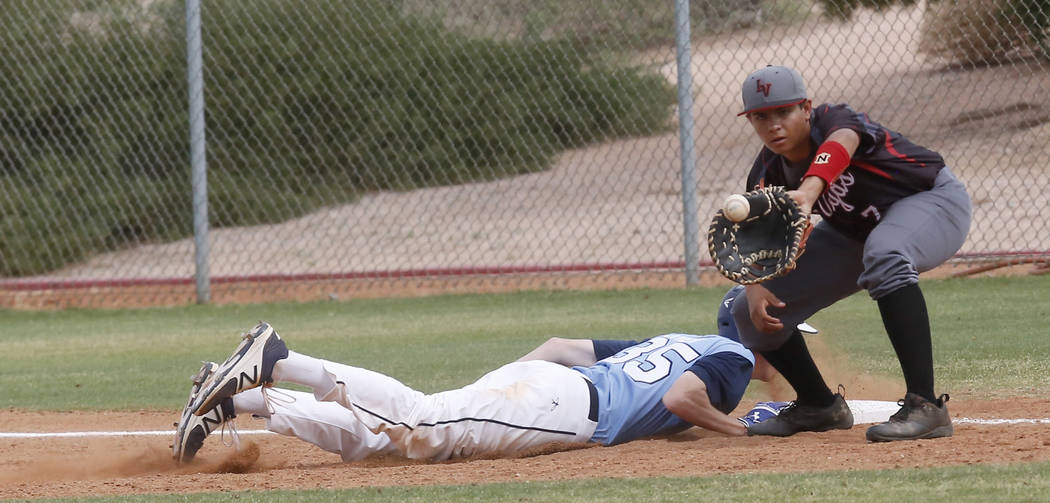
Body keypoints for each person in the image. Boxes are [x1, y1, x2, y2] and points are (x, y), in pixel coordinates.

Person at [173, 289, 774, 464]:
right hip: (565, 408)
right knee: (424, 423)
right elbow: (682, 396)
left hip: (547, 383)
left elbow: (562, 345)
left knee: (383, 444)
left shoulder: (676, 340)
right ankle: (280, 359)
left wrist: (511, 383)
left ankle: (250, 401)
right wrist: (736, 432)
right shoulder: (736, 358)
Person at [730, 65, 971, 441]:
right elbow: (758, 245)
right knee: (744, 310)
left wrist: (810, 191)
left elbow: (841, 142)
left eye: (784, 112)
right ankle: (818, 405)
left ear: (806, 108)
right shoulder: (766, 175)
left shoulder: (833, 120)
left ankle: (927, 407)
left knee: (887, 253)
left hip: (931, 200)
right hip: (857, 233)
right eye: (761, 117)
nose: (774, 125)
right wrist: (754, 283)